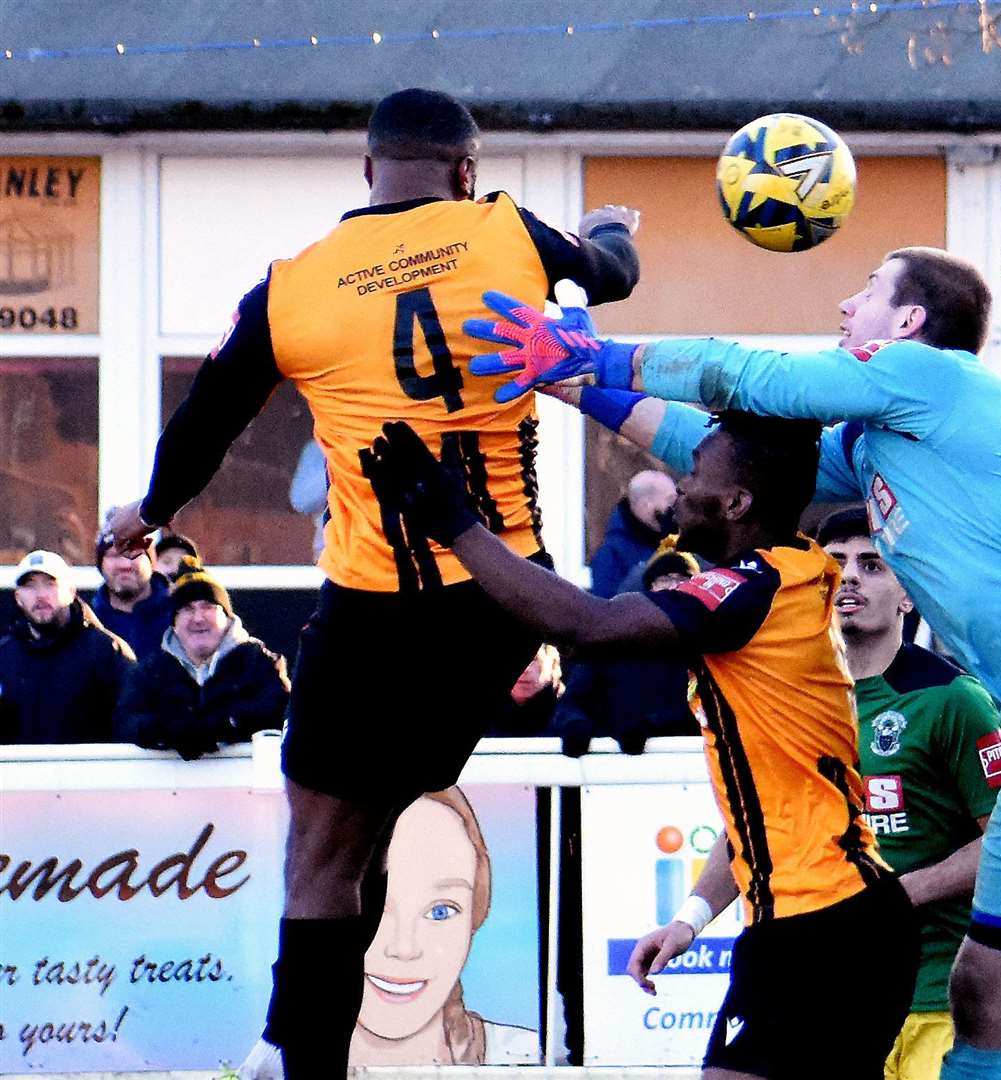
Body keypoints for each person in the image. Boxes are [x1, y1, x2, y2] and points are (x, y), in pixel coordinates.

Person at [468, 247, 1001, 1079]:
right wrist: (576, 386)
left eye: (867, 290)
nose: (845, 304)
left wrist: (604, 352)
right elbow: (720, 446)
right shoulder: (882, 441)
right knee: (983, 995)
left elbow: (756, 378)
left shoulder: (939, 380)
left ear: (908, 324)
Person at [101, 87, 640, 1080]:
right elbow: (609, 272)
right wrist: (607, 229)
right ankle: (296, 1040)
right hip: (504, 594)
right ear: (465, 173)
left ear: (365, 171)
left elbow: (207, 417)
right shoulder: (507, 230)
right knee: (378, 814)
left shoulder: (292, 287)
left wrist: (150, 511)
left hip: (372, 602)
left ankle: (296, 1052)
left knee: (323, 848)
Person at [359, 411, 917, 1079]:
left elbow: (584, 625)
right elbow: (774, 812)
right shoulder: (794, 572)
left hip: (818, 927)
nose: (681, 487)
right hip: (848, 918)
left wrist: (456, 524)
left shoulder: (751, 591)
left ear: (736, 502)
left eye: (695, 474)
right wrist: (689, 918)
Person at [819, 506, 1001, 1080]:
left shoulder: (953, 699)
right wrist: (689, 919)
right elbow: (756, 826)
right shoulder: (793, 699)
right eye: (835, 564)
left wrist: (898, 896)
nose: (849, 577)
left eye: (872, 564)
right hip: (831, 996)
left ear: (909, 594)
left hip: (939, 996)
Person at [350, 787, 539, 1066]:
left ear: (475, 916)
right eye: (375, 907)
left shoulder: (528, 1061)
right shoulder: (271, 1067)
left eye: (440, 911)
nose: (405, 948)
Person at [113, 564, 290, 759]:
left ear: (227, 617)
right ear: (174, 621)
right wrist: (167, 730)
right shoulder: (149, 672)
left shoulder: (259, 663)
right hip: (168, 784)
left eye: (208, 607)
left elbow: (279, 711)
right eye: (187, 609)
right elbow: (126, 723)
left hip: (244, 782)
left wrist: (226, 723)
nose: (198, 618)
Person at [549, 549, 700, 756]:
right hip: (612, 774)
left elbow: (706, 708)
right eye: (665, 579)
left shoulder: (707, 649)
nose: (673, 587)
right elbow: (575, 701)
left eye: (683, 580)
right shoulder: (612, 645)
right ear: (650, 587)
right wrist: (576, 725)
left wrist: (652, 726)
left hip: (688, 770)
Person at [0, 549, 136, 744]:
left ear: (71, 592)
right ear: (18, 597)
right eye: (30, 586)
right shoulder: (4, 656)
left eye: (50, 584)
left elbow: (133, 721)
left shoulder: (107, 651)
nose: (41, 595)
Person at [589, 469, 677, 597]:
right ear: (647, 505)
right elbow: (608, 607)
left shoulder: (677, 540)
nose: (676, 508)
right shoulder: (611, 554)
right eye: (670, 501)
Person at [90, 532, 174, 661]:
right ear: (101, 564)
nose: (125, 565)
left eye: (134, 555)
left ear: (151, 562)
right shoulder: (87, 624)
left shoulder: (180, 615)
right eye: (114, 555)